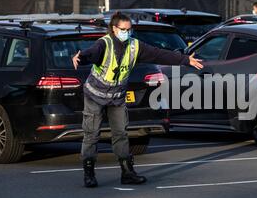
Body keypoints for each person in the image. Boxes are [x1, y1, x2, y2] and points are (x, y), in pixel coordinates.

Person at [72, 11, 203, 188]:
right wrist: (80, 58)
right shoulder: (104, 43)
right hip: (95, 96)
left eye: (129, 29)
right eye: (123, 29)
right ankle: (89, 174)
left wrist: (185, 60)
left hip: (117, 97)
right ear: (113, 28)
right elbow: (91, 54)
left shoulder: (135, 46)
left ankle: (127, 173)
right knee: (92, 134)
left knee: (121, 134)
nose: (127, 32)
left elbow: (158, 54)